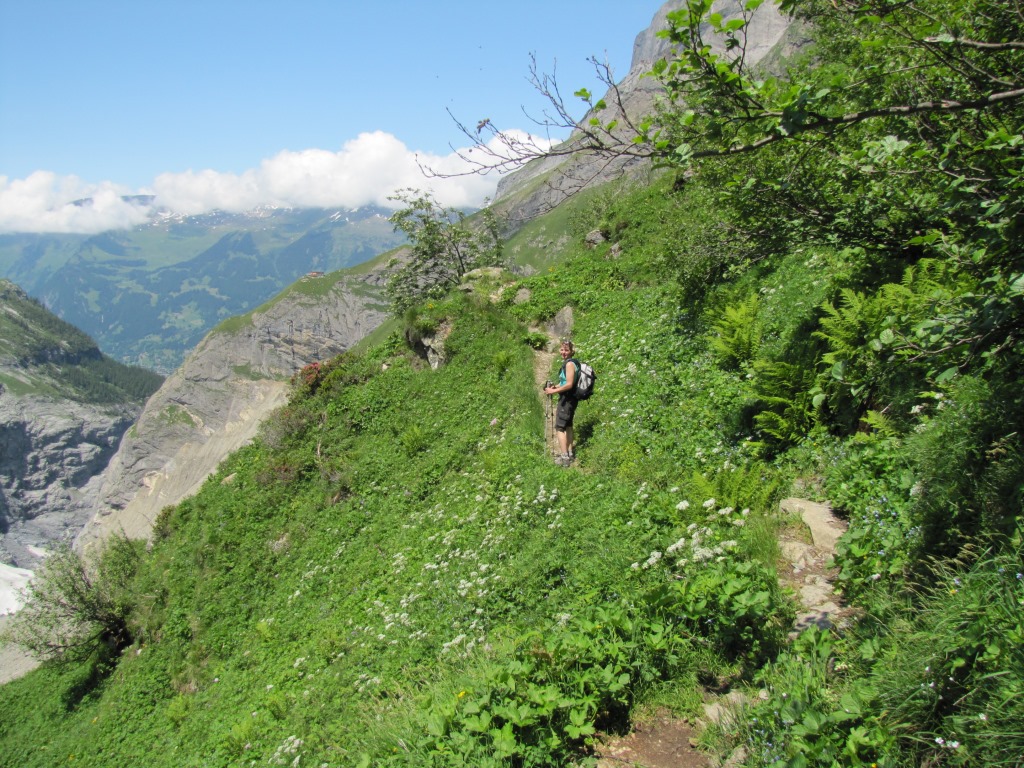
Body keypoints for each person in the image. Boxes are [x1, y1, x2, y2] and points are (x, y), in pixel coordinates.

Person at [544, 340, 578, 466]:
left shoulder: (569, 364)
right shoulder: (572, 363)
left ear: (572, 351)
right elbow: (565, 382)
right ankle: (569, 453)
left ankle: (564, 458)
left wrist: (553, 391)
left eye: (566, 350)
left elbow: (569, 384)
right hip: (571, 398)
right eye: (562, 349)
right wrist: (556, 387)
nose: (563, 352)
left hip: (567, 399)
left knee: (560, 427)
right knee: (568, 425)